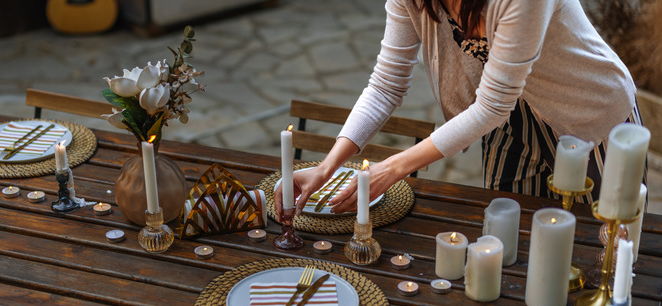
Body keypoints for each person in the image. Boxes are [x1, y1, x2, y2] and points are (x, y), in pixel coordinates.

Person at [275, 0, 641, 217]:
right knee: (510, 241)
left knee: (601, 245)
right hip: (510, 123)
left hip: (590, 116)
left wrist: (391, 168)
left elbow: (492, 105)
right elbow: (386, 84)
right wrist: (326, 168)